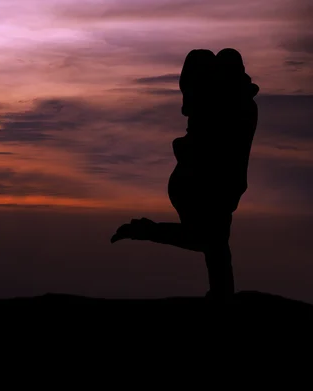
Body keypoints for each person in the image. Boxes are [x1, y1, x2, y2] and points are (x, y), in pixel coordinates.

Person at [110, 48, 259, 299]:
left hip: (212, 183)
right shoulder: (229, 104)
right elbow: (203, 140)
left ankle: (146, 232)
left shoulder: (232, 105)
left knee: (212, 242)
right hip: (203, 183)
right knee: (213, 242)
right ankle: (221, 294)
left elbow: (218, 144)